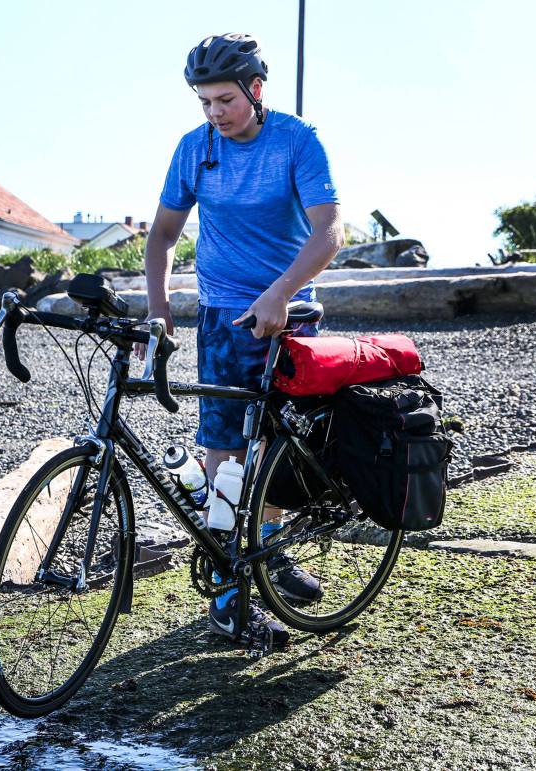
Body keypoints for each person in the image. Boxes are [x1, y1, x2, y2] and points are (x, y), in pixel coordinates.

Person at [141, 32, 345, 647]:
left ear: (256, 90)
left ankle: (274, 553)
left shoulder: (296, 140)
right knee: (225, 451)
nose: (214, 113)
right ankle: (230, 594)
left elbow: (330, 231)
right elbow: (161, 237)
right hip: (223, 318)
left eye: (224, 99)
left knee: (278, 448)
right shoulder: (194, 149)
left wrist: (281, 293)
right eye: (204, 101)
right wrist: (158, 311)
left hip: (290, 315)